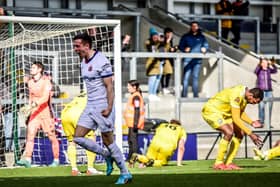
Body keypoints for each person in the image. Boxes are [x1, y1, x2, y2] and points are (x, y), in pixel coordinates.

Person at [72, 33, 132, 184]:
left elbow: (109, 86)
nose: (75, 49)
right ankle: (106, 155)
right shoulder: (83, 61)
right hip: (90, 104)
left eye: (77, 46)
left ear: (87, 45)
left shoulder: (101, 60)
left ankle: (125, 173)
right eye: (74, 46)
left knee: (108, 139)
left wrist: (109, 107)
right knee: (78, 136)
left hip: (103, 105)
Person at [202, 85, 264, 170]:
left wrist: (251, 122)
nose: (253, 104)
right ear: (250, 95)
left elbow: (240, 112)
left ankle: (228, 162)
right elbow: (236, 118)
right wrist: (251, 134)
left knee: (240, 133)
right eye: (254, 102)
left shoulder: (245, 97)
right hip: (212, 111)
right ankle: (218, 163)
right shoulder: (237, 95)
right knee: (229, 132)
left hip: (224, 114)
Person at [17, 61, 60, 168]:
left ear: (39, 69)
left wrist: (33, 105)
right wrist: (28, 108)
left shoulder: (46, 82)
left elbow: (45, 98)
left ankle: (56, 160)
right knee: (30, 135)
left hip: (45, 113)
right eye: (31, 68)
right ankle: (27, 159)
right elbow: (31, 97)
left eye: (33, 68)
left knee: (51, 136)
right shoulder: (30, 82)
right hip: (34, 113)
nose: (31, 69)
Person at [61, 93, 103, 176]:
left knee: (72, 141)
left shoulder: (84, 94)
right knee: (91, 138)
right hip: (78, 114)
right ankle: (90, 168)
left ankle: (74, 169)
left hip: (66, 113)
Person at [179, 21, 209, 98]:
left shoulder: (202, 37)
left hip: (197, 61)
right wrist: (184, 49)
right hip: (187, 60)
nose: (194, 27)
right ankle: (184, 95)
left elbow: (206, 46)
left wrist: (204, 49)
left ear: (198, 27)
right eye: (193, 26)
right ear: (191, 27)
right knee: (186, 77)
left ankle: (195, 95)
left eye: (196, 26)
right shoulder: (186, 36)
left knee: (195, 78)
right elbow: (180, 46)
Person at [123, 80, 145, 167]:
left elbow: (137, 111)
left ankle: (134, 161)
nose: (127, 88)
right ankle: (130, 159)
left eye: (129, 86)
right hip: (131, 123)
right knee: (130, 141)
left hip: (134, 123)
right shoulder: (134, 96)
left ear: (134, 87)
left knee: (133, 141)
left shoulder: (136, 97)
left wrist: (135, 123)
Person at [254, 57, 277, 127]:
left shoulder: (269, 70)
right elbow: (255, 71)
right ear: (261, 63)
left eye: (265, 63)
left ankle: (268, 123)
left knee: (269, 107)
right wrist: (259, 64)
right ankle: (261, 123)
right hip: (261, 91)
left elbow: (275, 70)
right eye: (263, 62)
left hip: (269, 91)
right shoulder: (259, 70)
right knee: (261, 107)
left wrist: (272, 64)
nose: (264, 64)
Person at [145, 27, 162, 101]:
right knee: (153, 78)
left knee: (158, 79)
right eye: (153, 35)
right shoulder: (148, 42)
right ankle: (150, 93)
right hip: (152, 63)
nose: (155, 37)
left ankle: (154, 93)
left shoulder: (160, 43)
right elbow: (149, 46)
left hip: (160, 63)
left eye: (156, 35)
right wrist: (156, 41)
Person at [160, 27, 176, 95]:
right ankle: (163, 87)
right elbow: (163, 48)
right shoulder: (162, 39)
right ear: (165, 33)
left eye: (171, 33)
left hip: (169, 59)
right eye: (168, 33)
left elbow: (169, 49)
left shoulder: (171, 40)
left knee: (168, 73)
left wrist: (174, 49)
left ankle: (166, 87)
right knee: (163, 74)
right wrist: (168, 41)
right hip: (163, 59)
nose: (170, 34)